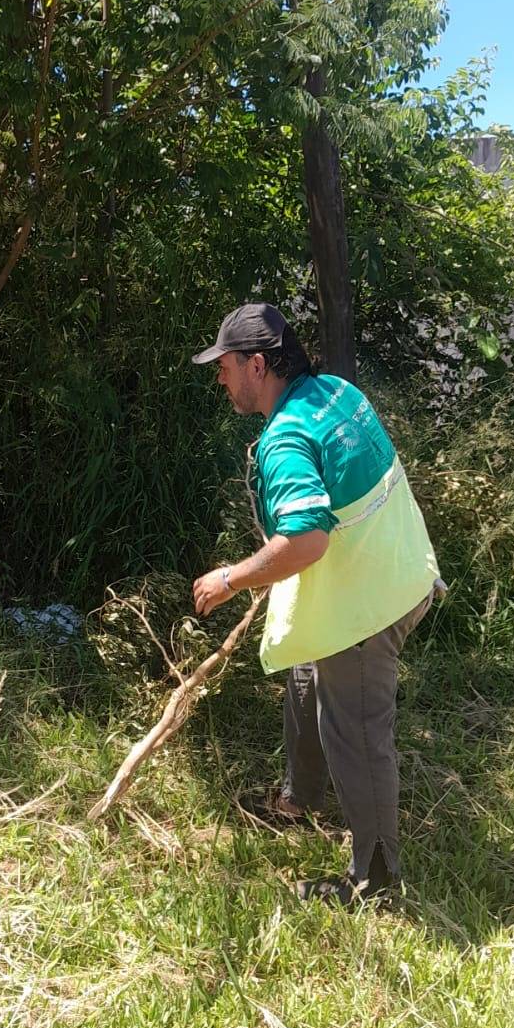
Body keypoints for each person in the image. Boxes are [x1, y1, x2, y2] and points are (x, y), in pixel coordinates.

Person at [191, 302, 441, 905]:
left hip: (367, 605)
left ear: (257, 366)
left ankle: (375, 880)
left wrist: (230, 578)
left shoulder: (285, 439)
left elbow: (306, 541)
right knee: (306, 672)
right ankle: (297, 800)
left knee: (354, 731)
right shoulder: (335, 393)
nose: (219, 377)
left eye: (225, 365)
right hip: (403, 564)